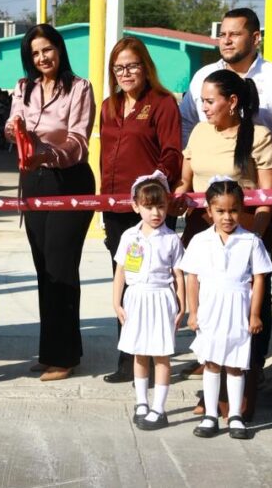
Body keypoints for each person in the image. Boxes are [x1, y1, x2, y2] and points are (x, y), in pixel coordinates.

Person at [173, 69, 272, 419]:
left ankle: (240, 401)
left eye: (209, 100)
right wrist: (175, 192)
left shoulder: (260, 136)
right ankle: (208, 397)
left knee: (244, 321)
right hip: (201, 234)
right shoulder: (201, 132)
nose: (202, 107)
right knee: (208, 317)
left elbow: (268, 198)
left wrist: (254, 240)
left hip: (243, 236)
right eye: (201, 100)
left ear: (232, 101)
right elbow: (185, 179)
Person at [4, 24, 95, 382]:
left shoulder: (79, 87)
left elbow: (78, 140)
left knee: (61, 267)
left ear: (60, 49)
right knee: (43, 268)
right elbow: (11, 127)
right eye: (36, 52)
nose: (43, 58)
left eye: (48, 49)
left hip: (68, 178)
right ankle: (49, 351)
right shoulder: (23, 87)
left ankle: (66, 356)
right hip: (33, 181)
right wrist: (16, 133)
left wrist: (47, 155)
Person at [98, 37, 182, 383]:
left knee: (155, 281)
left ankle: (156, 354)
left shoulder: (162, 103)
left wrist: (154, 181)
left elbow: (172, 151)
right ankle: (128, 357)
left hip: (149, 207)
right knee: (127, 278)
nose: (126, 73)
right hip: (116, 206)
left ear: (145, 67)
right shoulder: (109, 105)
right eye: (119, 68)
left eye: (132, 65)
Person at [179, 178, 272, 441]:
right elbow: (192, 278)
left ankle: (235, 415)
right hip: (210, 311)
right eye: (220, 211)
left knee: (235, 365)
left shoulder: (251, 241)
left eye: (233, 210)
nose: (227, 217)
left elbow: (260, 278)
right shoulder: (200, 241)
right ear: (209, 211)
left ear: (241, 209)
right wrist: (193, 312)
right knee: (211, 363)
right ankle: (210, 414)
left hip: (238, 312)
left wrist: (254, 314)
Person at [113, 171, 184, 431]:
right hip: (136, 298)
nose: (156, 212)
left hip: (161, 298)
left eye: (161, 206)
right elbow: (120, 270)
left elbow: (178, 274)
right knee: (140, 353)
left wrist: (182, 305)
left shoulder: (172, 239)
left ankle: (159, 407)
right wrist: (116, 303)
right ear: (136, 206)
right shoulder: (130, 237)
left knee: (162, 355)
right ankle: (141, 401)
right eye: (149, 206)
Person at [179, 8, 272, 147]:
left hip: (264, 167)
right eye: (222, 35)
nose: (226, 41)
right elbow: (186, 123)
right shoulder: (203, 76)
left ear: (255, 38)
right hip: (206, 167)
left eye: (234, 34)